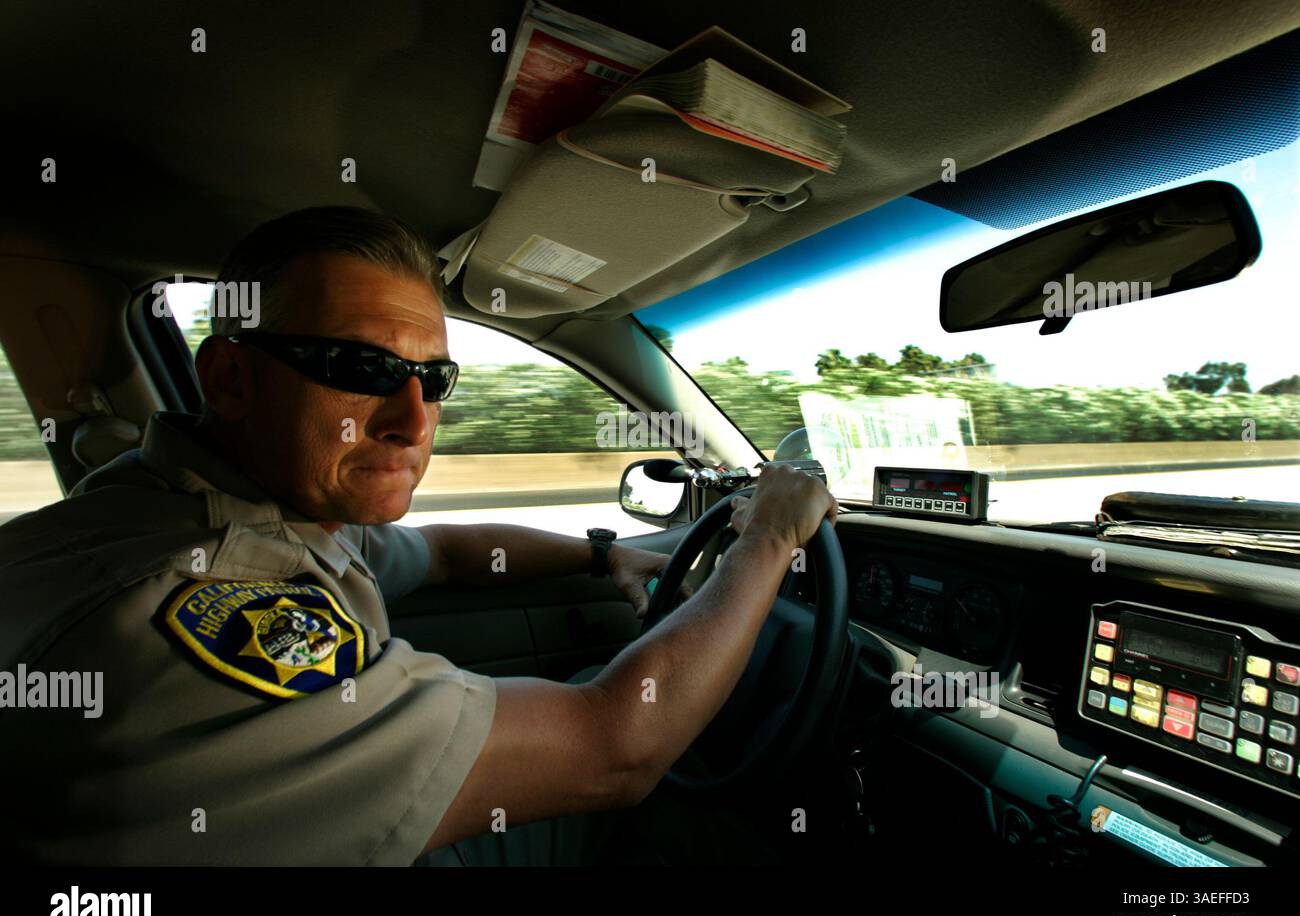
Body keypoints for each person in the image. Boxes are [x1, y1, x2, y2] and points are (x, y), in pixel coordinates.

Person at [0, 206, 836, 865]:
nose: (413, 421)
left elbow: (445, 549)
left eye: (434, 379)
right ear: (229, 379)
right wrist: (767, 538)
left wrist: (606, 553)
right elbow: (617, 750)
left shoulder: (210, 502)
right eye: (361, 371)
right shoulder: (215, 599)